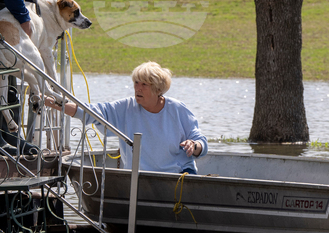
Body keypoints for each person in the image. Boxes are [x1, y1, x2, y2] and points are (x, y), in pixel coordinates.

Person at [45, 61, 208, 174]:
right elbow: (89, 112)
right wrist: (54, 103)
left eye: (144, 84)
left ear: (158, 88)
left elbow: (200, 141)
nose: (138, 88)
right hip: (139, 180)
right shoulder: (126, 107)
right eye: (136, 82)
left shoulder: (178, 109)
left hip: (179, 177)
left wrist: (194, 145)